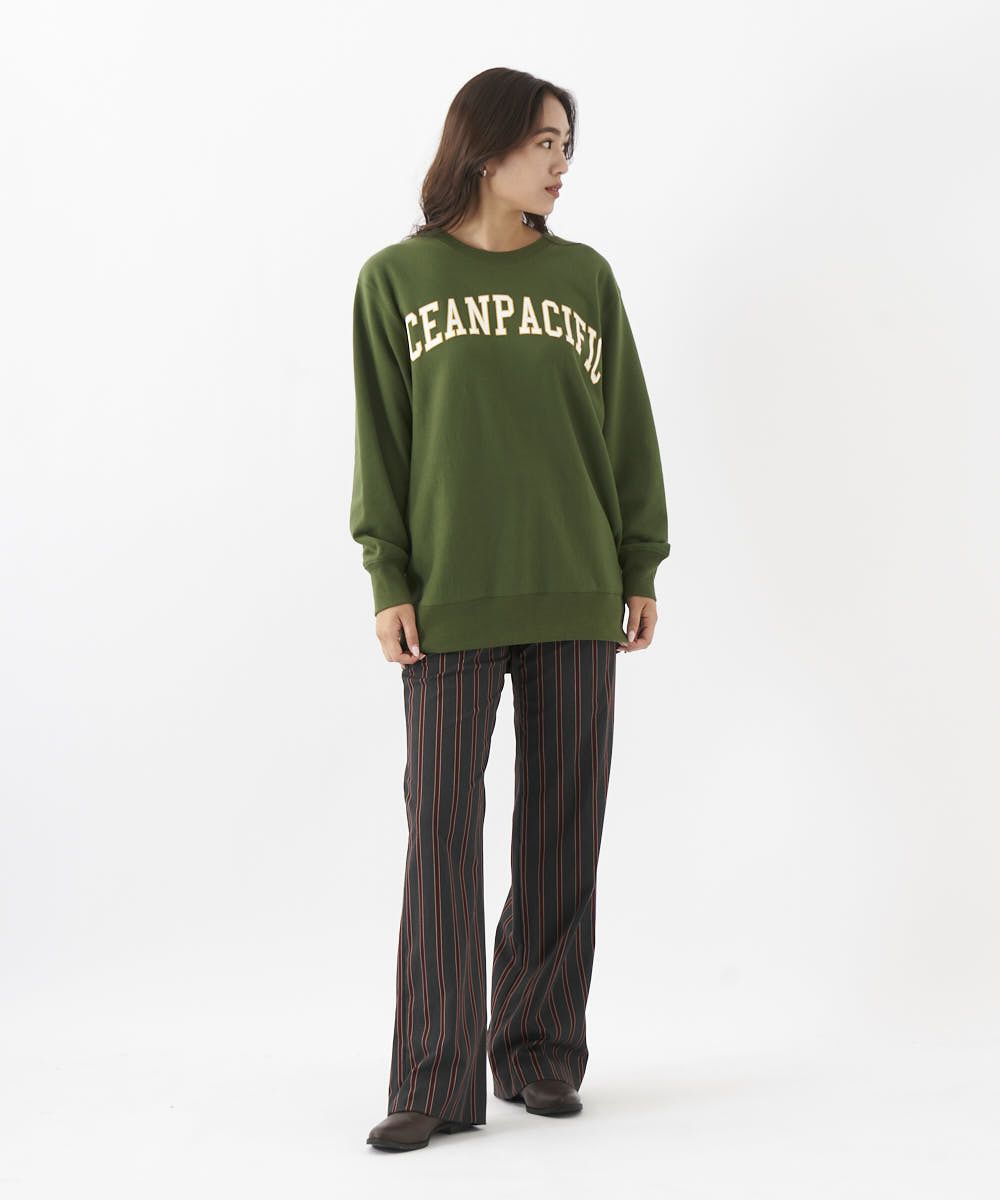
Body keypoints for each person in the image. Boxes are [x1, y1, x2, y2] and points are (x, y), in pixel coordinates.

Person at [350, 67, 671, 1153]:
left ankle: (537, 1050)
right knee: (442, 824)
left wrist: (639, 564)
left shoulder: (585, 279)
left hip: (576, 584)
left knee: (562, 825)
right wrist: (389, 578)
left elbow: (627, 428)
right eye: (545, 142)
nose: (562, 163)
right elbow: (382, 441)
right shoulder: (396, 280)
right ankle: (434, 1078)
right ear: (485, 149)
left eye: (568, 144)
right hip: (450, 594)